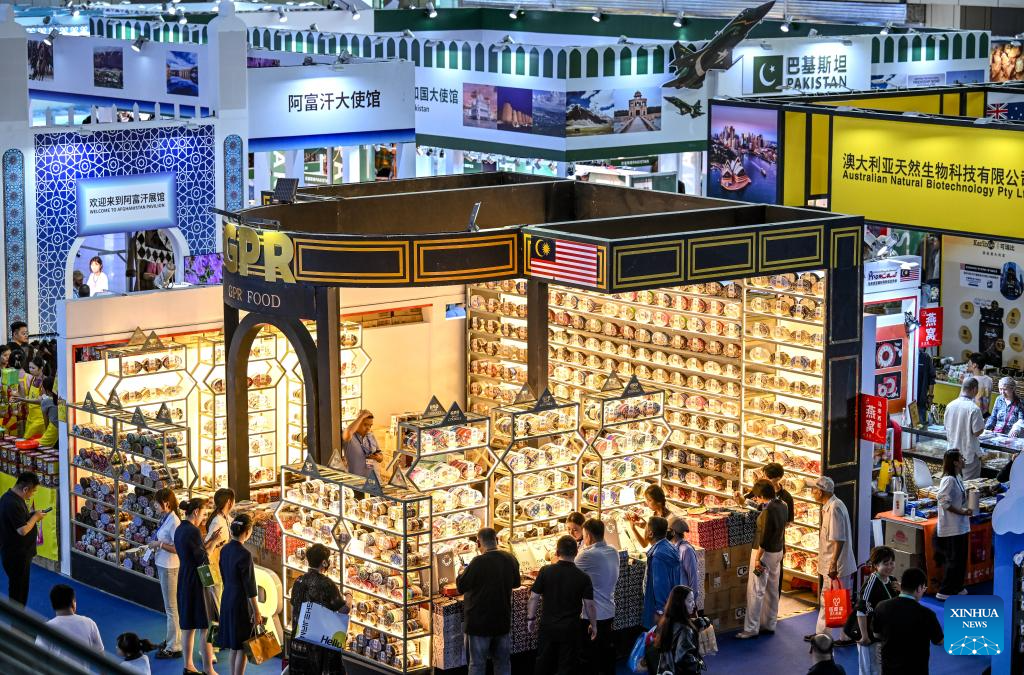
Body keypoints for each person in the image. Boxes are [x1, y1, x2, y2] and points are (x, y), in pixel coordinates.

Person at [456, 527, 521, 675]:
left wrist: (461, 573)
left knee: (477, 665)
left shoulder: (477, 562)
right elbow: (516, 583)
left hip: (479, 623)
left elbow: (461, 587)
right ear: (496, 540)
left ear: (478, 543)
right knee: (502, 663)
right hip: (502, 620)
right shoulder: (510, 558)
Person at [528, 535, 597, 675]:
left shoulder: (545, 571)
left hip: (548, 626)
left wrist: (531, 618)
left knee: (543, 663)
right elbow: (589, 605)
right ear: (576, 553)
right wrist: (593, 625)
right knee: (566, 665)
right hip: (571, 628)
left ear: (557, 552)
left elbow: (534, 597)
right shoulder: (583, 577)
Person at [808, 476, 857, 645]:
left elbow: (839, 539)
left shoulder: (834, 508)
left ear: (821, 492)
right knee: (832, 600)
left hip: (836, 566)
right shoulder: (832, 505)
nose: (812, 492)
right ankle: (824, 633)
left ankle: (843, 636)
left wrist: (833, 563)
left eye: (814, 489)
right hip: (833, 564)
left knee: (837, 600)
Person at [736, 480, 787, 639]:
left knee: (756, 590)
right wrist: (745, 502)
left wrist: (757, 559)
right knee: (772, 589)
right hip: (777, 551)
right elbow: (781, 527)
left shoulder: (767, 512)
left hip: (763, 553)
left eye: (757, 496)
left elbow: (764, 537)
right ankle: (770, 623)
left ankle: (751, 628)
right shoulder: (782, 505)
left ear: (762, 495)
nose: (756, 499)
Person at [289, 543, 350, 675]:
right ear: (324, 562)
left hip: (298, 642)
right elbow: (343, 609)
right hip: (319, 645)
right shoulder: (326, 583)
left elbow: (293, 608)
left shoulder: (298, 581)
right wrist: (349, 596)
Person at [871, 567, 944, 675]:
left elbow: (876, 634)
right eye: (924, 588)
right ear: (919, 588)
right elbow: (939, 641)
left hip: (889, 670)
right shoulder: (927, 614)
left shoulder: (881, 607)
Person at [174, 497, 215, 675]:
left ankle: (188, 665)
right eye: (204, 514)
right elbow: (202, 559)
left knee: (188, 625)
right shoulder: (193, 531)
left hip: (184, 577)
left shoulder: (180, 529)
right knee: (205, 626)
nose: (204, 518)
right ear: (196, 512)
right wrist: (213, 544)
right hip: (197, 580)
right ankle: (208, 668)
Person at [218, 514, 262, 675]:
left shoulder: (224, 550)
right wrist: (256, 611)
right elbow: (250, 586)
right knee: (243, 646)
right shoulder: (245, 555)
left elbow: (223, 574)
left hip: (227, 597)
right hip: (240, 602)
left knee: (234, 646)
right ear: (247, 532)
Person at [575, 518, 619, 675]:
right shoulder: (613, 551)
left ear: (589, 536)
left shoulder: (587, 555)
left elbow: (568, 568)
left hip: (591, 614)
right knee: (605, 653)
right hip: (609, 610)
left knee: (589, 656)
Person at [0, 471, 47, 604]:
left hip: (16, 553)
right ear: (26, 489)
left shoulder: (10, 498)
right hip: (17, 555)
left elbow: (18, 520)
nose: (32, 494)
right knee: (18, 591)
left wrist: (31, 515)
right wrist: (35, 517)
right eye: (33, 491)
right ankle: (17, 616)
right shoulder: (13, 503)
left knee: (18, 587)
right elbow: (22, 530)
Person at [644, 585, 709, 675]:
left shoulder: (666, 622)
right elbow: (684, 660)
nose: (694, 604)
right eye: (690, 601)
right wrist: (699, 664)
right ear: (680, 604)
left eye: (693, 600)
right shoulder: (685, 630)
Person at [34, 583, 104, 666]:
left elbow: (38, 659)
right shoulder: (90, 623)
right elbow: (101, 656)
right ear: (73, 603)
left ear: (53, 604)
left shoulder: (46, 628)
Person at [855, 546, 899, 675]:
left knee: (881, 669)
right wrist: (864, 636)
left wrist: (901, 590)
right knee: (869, 670)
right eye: (885, 563)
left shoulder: (892, 581)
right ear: (875, 565)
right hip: (869, 634)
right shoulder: (872, 582)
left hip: (884, 634)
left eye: (892, 563)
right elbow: (861, 610)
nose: (890, 566)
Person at [149, 487, 182, 659]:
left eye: (156, 503)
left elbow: (178, 548)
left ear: (166, 503)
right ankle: (171, 640)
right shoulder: (166, 518)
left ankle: (174, 646)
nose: (154, 505)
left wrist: (159, 545)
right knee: (170, 607)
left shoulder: (174, 522)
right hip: (163, 564)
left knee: (171, 607)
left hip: (170, 567)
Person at [935, 450, 972, 600]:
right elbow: (943, 501)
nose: (963, 459)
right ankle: (945, 590)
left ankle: (957, 586)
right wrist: (962, 512)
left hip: (960, 525)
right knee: (954, 560)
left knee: (961, 559)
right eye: (961, 458)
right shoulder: (949, 480)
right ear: (955, 462)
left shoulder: (958, 477)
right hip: (951, 527)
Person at [943, 377, 987, 479]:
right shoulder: (974, 409)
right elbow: (977, 432)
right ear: (975, 389)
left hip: (951, 452)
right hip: (967, 454)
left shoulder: (950, 405)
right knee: (969, 485)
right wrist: (983, 423)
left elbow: (946, 426)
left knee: (955, 481)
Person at [643, 516, 682, 629]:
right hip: (671, 608)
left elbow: (661, 585)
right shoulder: (670, 547)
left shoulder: (658, 557)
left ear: (651, 533)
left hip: (661, 614)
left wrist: (661, 612)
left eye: (645, 528)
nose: (644, 530)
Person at [204, 487, 235, 615]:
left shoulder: (224, 517)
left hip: (218, 562)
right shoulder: (217, 521)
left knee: (218, 595)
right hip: (213, 564)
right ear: (229, 502)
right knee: (217, 597)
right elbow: (206, 544)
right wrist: (215, 541)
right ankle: (219, 623)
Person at [341, 409, 383, 477]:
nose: (368, 428)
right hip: (357, 480)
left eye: (370, 425)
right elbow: (348, 432)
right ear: (358, 422)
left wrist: (377, 457)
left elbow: (381, 457)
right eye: (365, 425)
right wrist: (361, 416)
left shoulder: (371, 436)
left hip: (374, 479)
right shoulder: (350, 437)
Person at [667, 518, 699, 595]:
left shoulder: (686, 550)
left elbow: (693, 577)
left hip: (683, 598)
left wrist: (692, 599)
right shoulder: (671, 547)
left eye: (667, 531)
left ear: (673, 532)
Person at [19, 356, 48, 439]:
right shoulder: (33, 379)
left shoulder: (44, 381)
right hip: (30, 416)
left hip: (40, 418)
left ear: (41, 368)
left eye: (33, 368)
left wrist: (23, 399)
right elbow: (29, 396)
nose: (30, 370)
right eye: (29, 367)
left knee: (28, 439)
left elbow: (41, 401)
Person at [916, 348, 936, 424]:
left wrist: (930, 396)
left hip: (921, 399)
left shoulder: (926, 357)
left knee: (921, 424)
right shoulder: (906, 356)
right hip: (907, 400)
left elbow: (931, 378)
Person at [37, 377, 58, 448]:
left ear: (47, 390)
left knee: (40, 446)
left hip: (54, 427)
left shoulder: (46, 401)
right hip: (62, 427)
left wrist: (46, 431)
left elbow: (46, 420)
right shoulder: (60, 398)